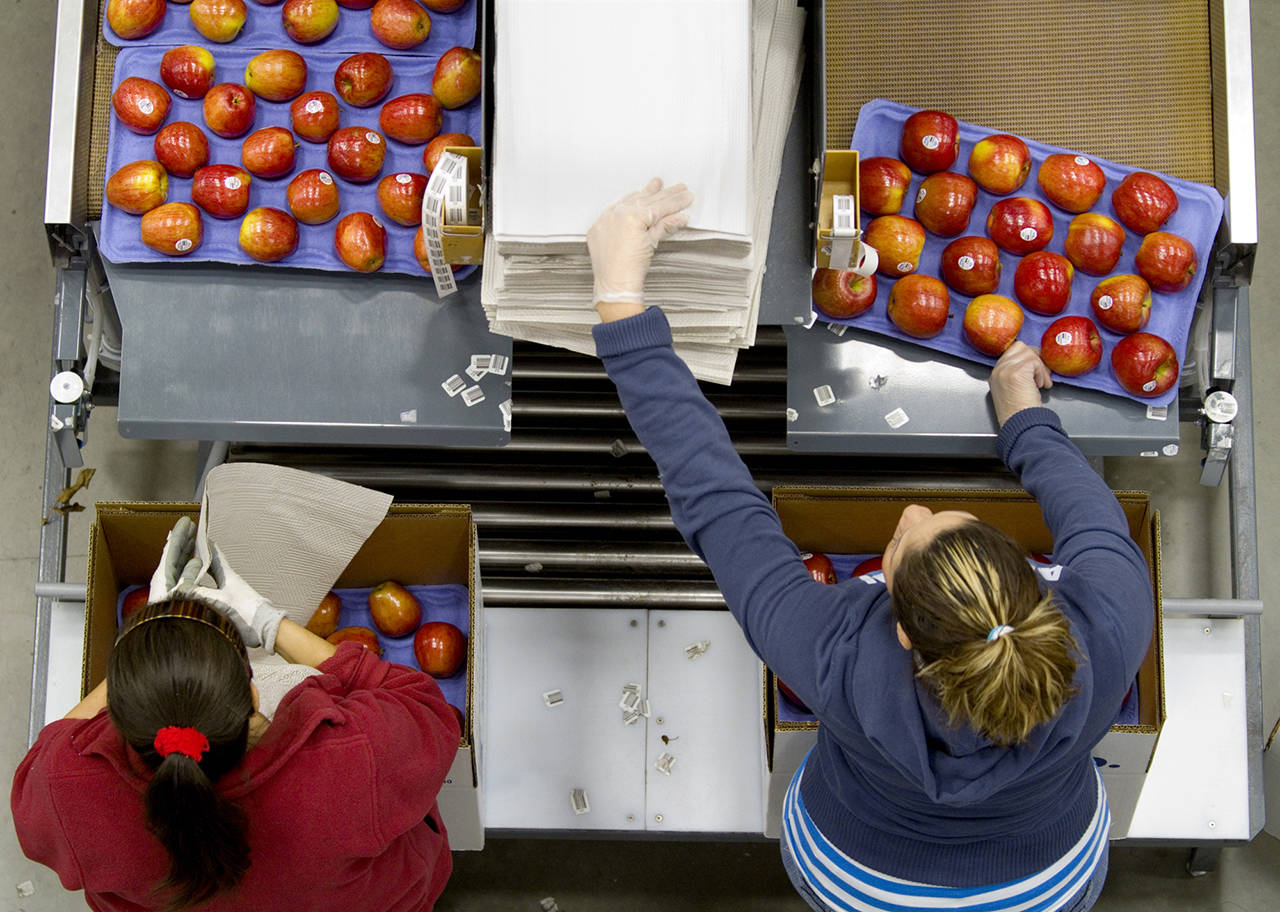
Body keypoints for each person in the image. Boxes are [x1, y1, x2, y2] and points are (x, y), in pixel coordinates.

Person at [584, 179, 1153, 911]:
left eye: (899, 544)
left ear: (904, 629)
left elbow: (714, 495)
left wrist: (619, 297)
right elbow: (1094, 517)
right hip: (1045, 880)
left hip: (860, 880)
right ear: (1038, 576)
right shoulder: (1110, 621)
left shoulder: (839, 655)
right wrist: (1026, 420)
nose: (912, 510)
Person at [12, 534, 461, 912]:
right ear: (251, 692)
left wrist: (148, 646)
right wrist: (269, 623)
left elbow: (47, 748)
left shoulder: (65, 789)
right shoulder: (352, 756)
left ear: (122, 713)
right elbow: (423, 706)